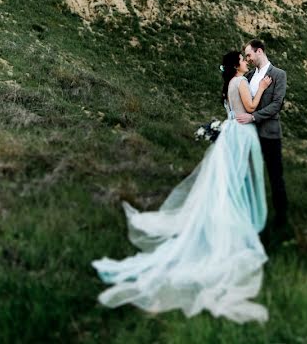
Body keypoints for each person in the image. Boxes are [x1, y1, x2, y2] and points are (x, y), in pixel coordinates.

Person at [92, 50, 273, 323]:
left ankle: (230, 219)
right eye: (243, 59)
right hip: (241, 135)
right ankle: (233, 227)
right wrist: (260, 88)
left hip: (232, 135)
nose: (246, 62)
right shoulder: (240, 82)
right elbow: (249, 109)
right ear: (237, 64)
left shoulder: (230, 85)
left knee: (227, 185)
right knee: (234, 184)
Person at [236, 39, 290, 241]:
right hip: (250, 135)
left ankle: (282, 219)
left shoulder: (278, 75)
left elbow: (277, 105)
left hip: (269, 134)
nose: (248, 59)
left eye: (249, 55)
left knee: (275, 176)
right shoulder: (249, 76)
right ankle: (252, 218)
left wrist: (253, 117)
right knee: (249, 176)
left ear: (260, 51)